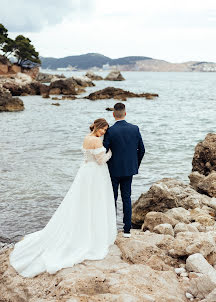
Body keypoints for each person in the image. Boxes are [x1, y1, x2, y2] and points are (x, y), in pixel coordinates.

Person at [9, 118, 117, 278]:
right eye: (103, 130)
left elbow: (88, 157)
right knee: (95, 201)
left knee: (83, 201)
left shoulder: (86, 138)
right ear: (98, 127)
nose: (104, 133)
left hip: (85, 172)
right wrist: (110, 153)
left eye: (105, 131)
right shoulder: (96, 141)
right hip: (95, 174)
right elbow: (101, 160)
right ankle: (93, 232)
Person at [103, 103, 145, 238]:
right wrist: (135, 165)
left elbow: (104, 149)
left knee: (112, 198)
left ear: (113, 114)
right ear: (125, 114)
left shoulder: (110, 131)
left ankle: (112, 229)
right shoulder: (135, 128)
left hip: (113, 170)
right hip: (129, 170)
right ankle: (127, 230)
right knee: (126, 198)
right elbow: (142, 150)